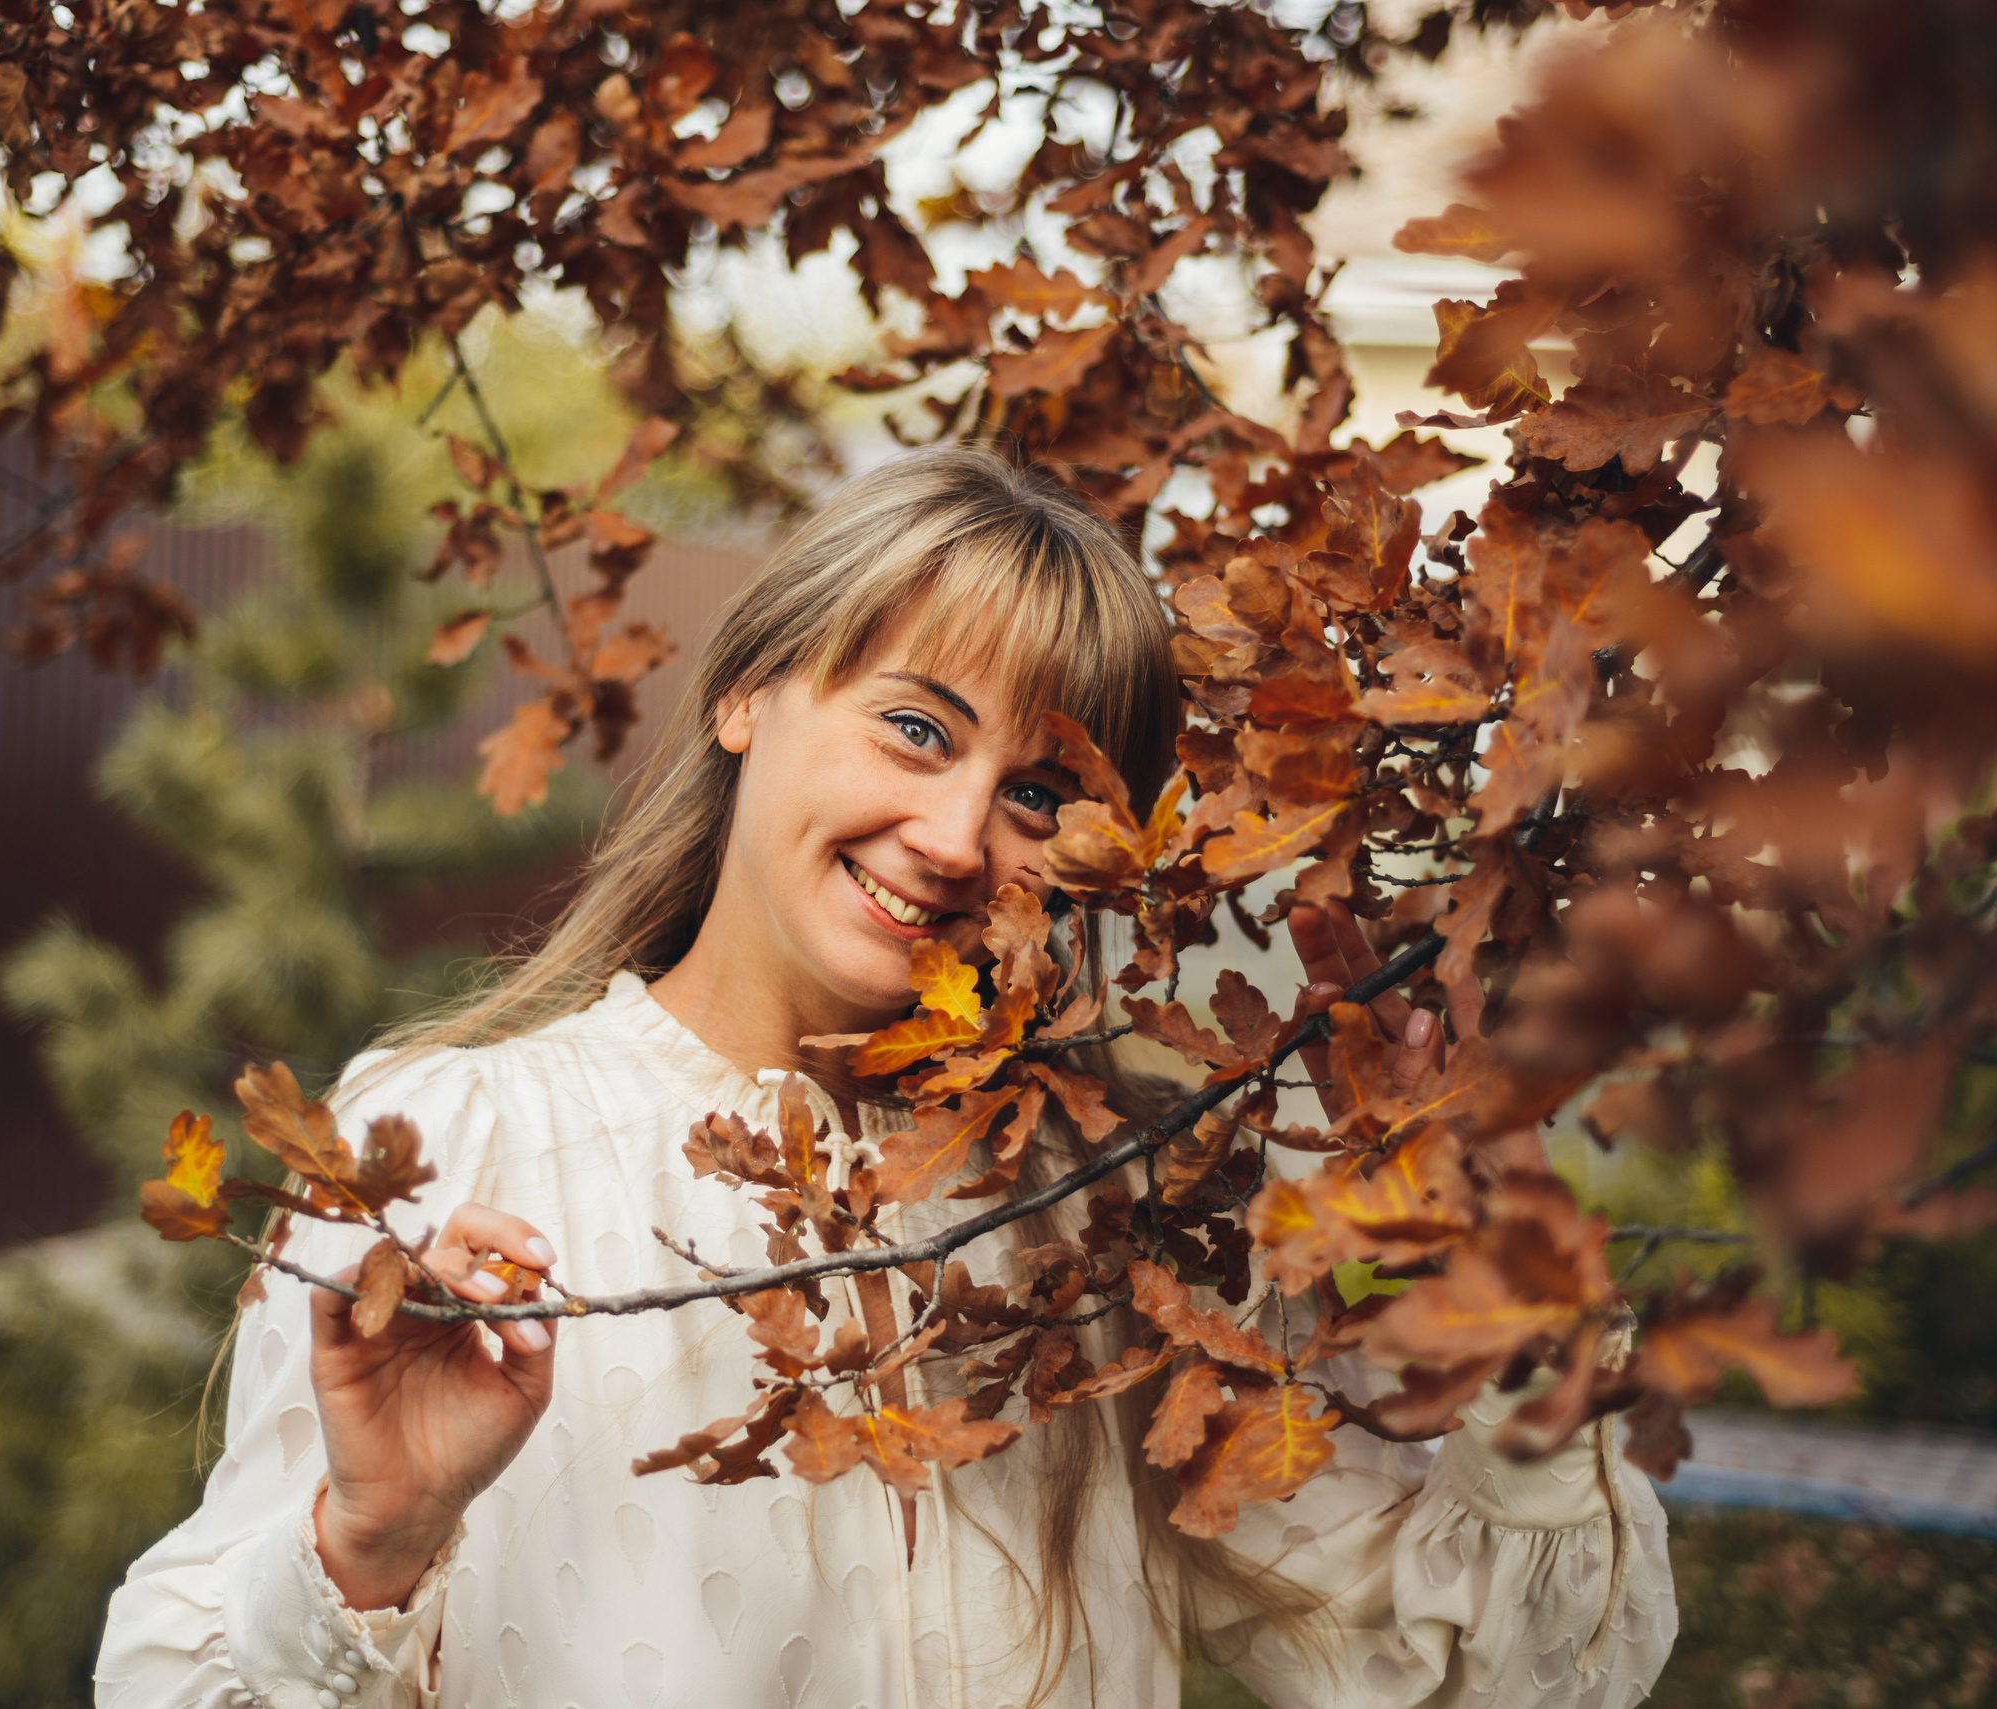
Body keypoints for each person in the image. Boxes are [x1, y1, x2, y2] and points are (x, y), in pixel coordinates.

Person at [95, 445, 1676, 1709]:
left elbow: (1500, 1672)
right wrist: (373, 1540)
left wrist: (1500, 1287)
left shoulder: (1109, 1225)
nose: (953, 834)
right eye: (917, 728)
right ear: (747, 697)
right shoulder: (454, 1152)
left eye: (1041, 787)